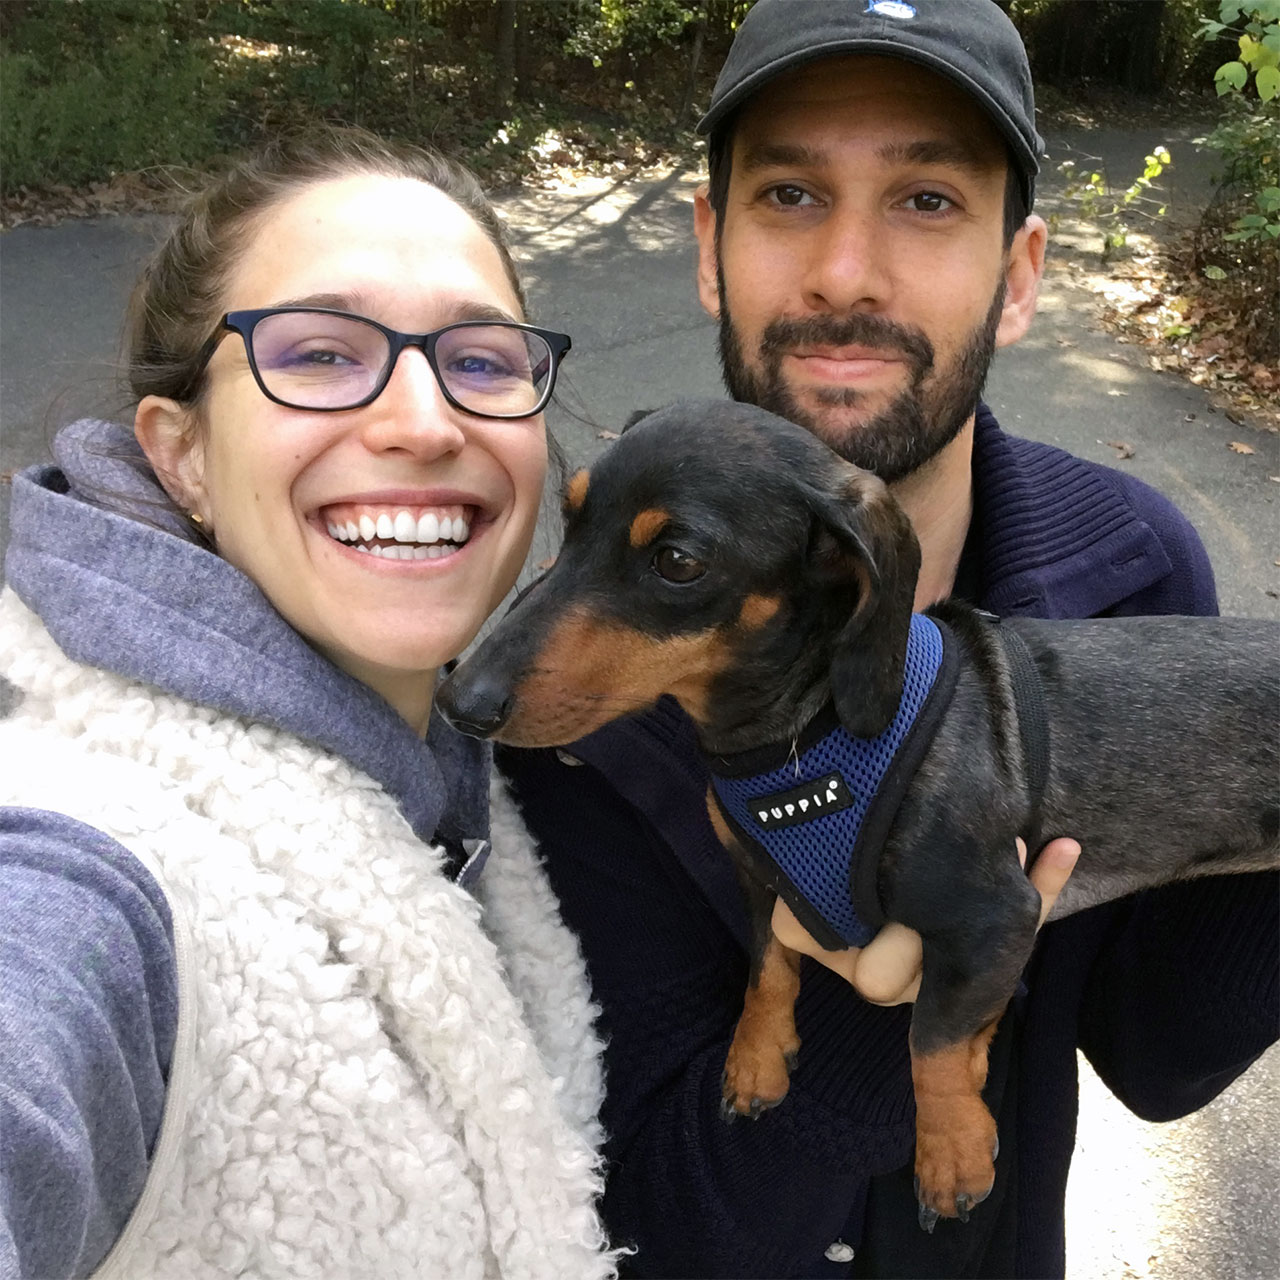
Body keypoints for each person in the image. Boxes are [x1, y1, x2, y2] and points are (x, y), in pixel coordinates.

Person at [497, 2, 1279, 1276]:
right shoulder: (556, 703)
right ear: (709, 248)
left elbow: (1157, 1053)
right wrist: (857, 995)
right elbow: (633, 1221)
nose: (846, 271)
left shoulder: (1131, 566)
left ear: (1016, 274)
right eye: (789, 193)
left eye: (925, 199)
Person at [0, 127, 620, 1280]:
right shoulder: (84, 862)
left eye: (481, 360)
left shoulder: (480, 769)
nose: (425, 421)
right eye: (321, 353)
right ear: (181, 453)